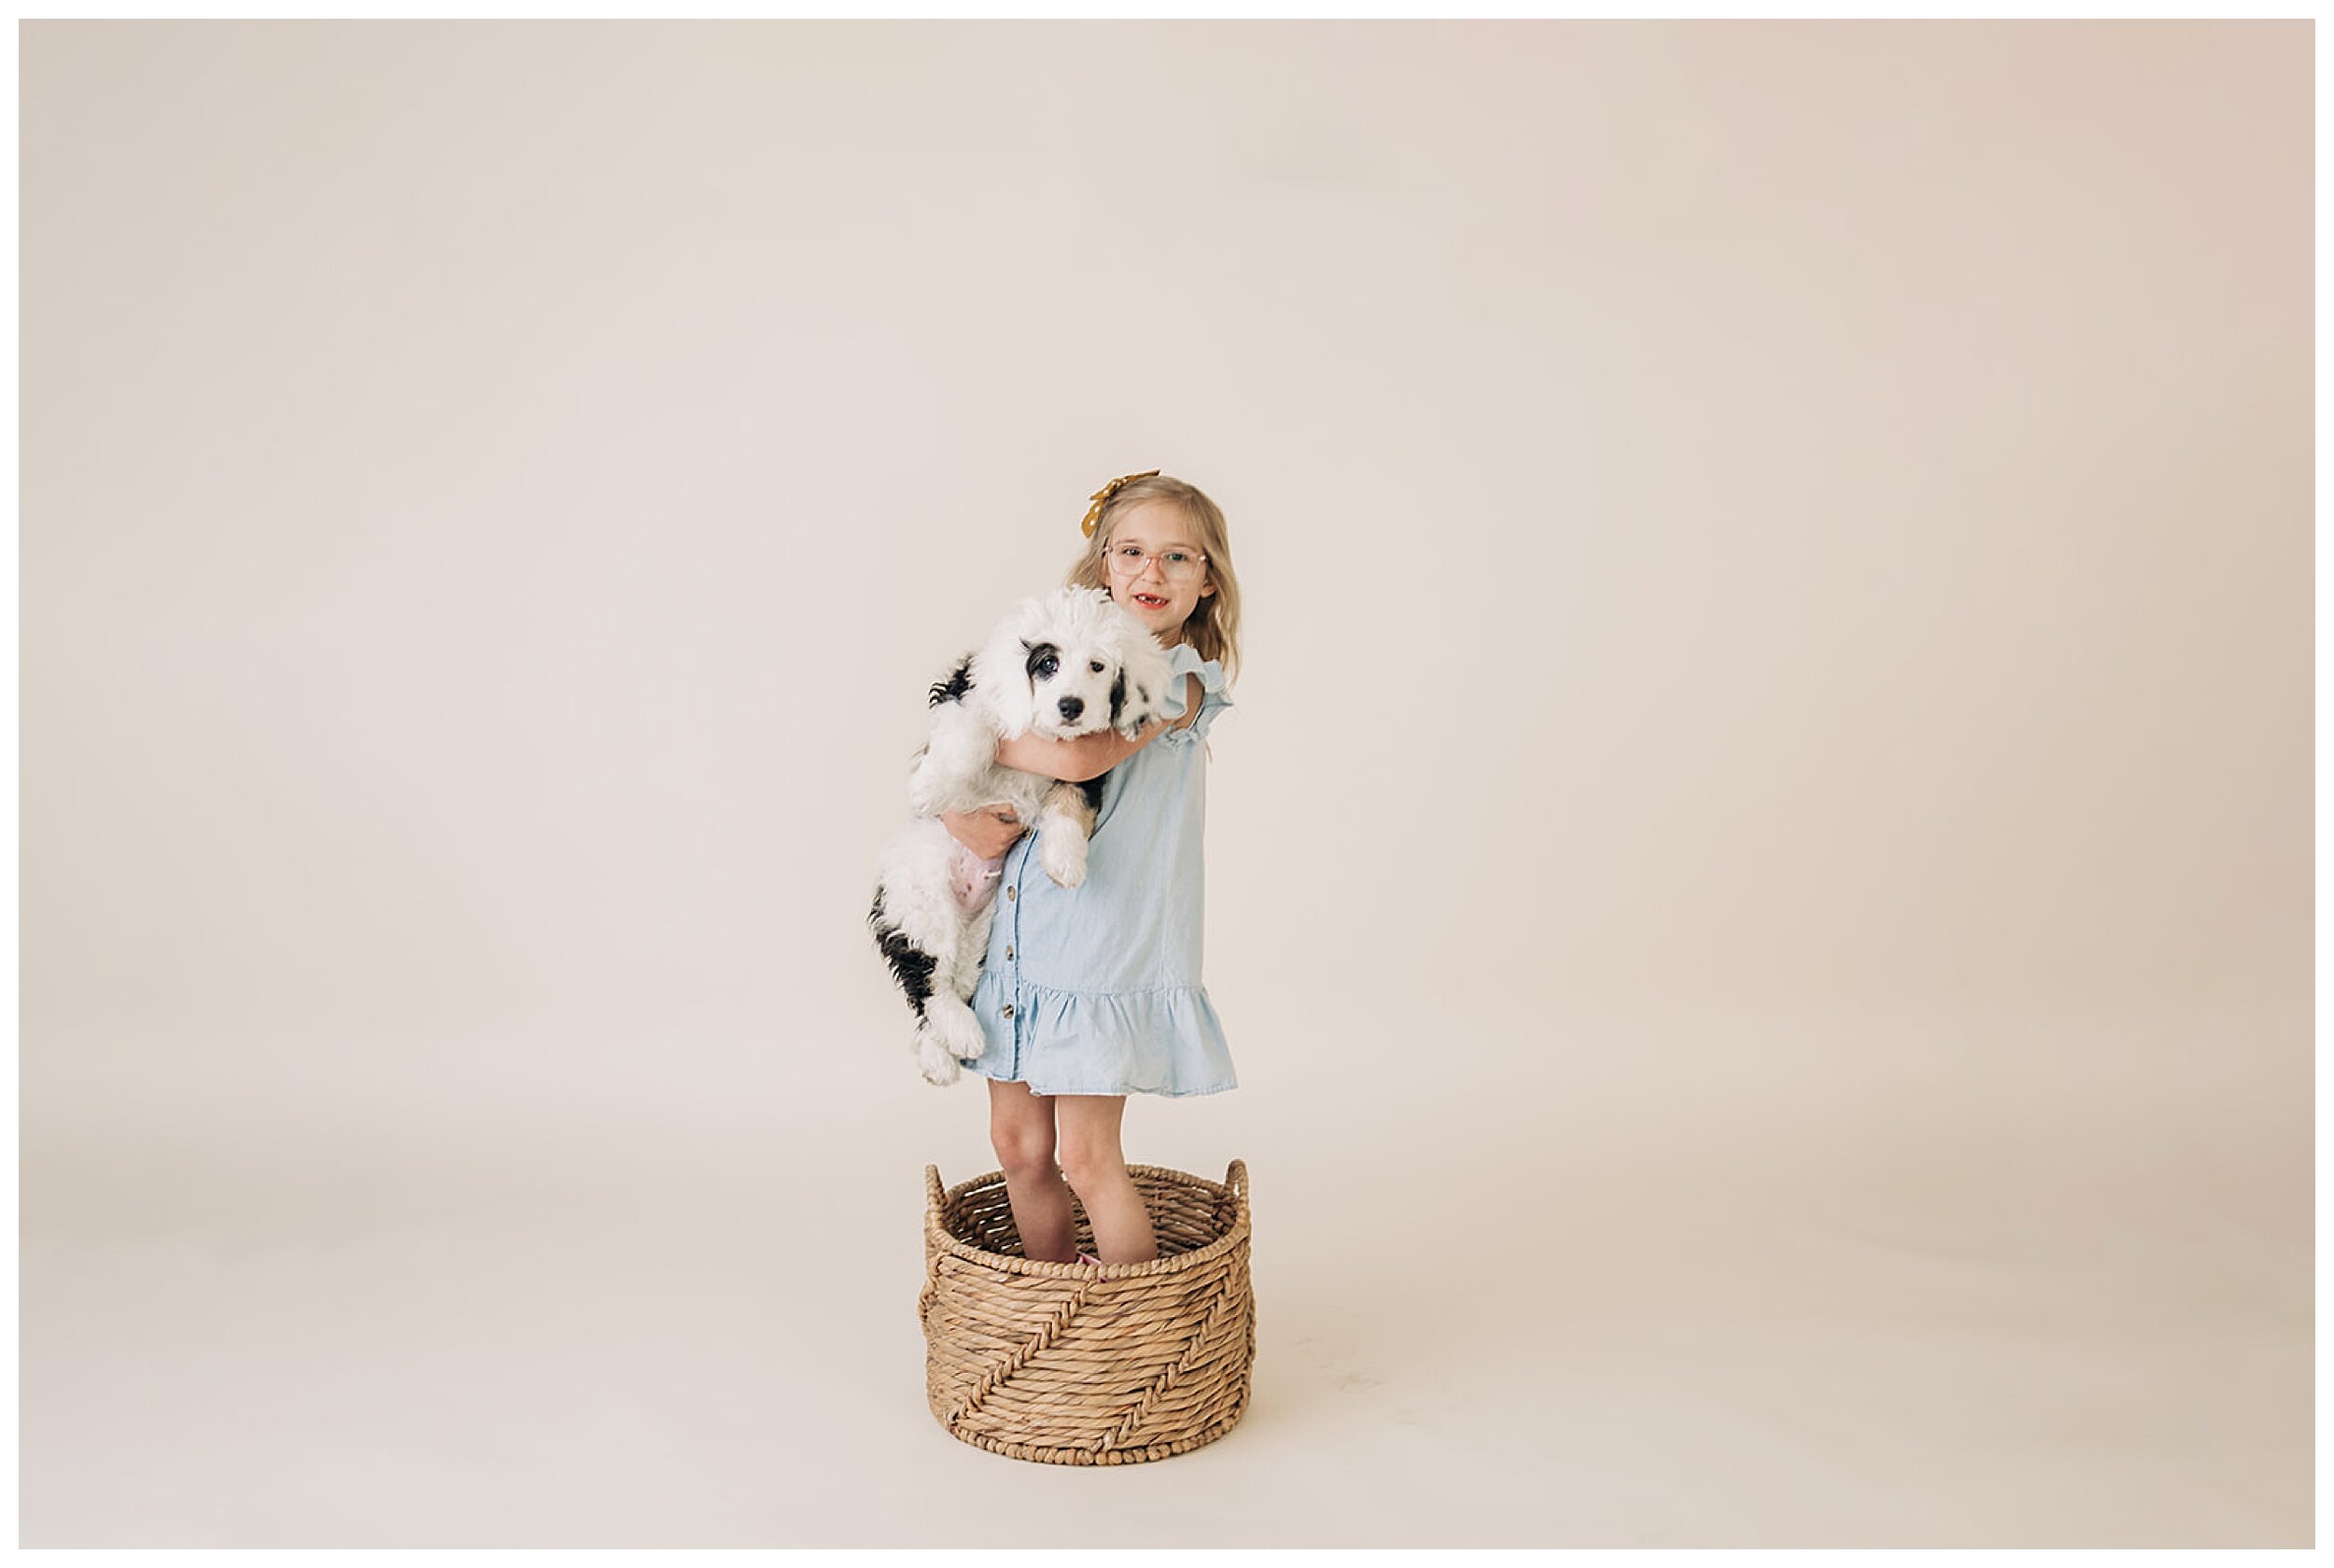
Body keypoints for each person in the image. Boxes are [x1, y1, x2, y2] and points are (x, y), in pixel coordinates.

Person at [938, 470, 1244, 1267]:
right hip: (1022, 934)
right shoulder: (1070, 658)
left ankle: (1128, 1325)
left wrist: (973, 727)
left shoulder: (1177, 679)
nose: (1152, 573)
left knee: (1086, 1157)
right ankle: (1054, 1306)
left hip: (1102, 946)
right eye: (1133, 552)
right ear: (1104, 563)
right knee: (1018, 1147)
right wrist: (956, 799)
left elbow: (1083, 751)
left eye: (1179, 558)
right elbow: (1005, 773)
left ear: (1207, 582)